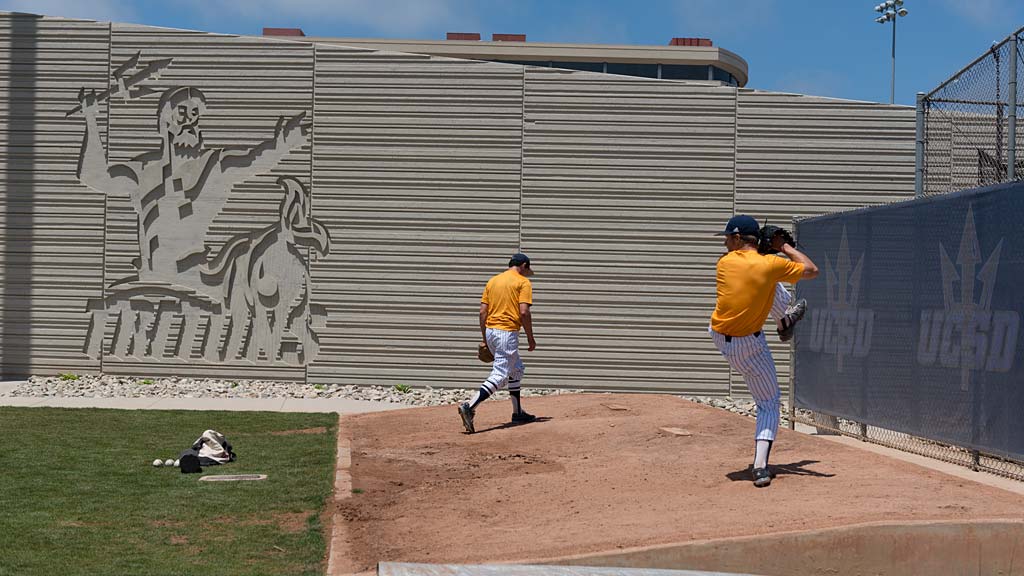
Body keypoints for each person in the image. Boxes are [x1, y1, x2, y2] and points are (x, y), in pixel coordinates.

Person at [709, 215, 819, 487]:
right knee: (769, 403)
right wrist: (784, 248)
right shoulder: (768, 264)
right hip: (749, 346)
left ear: (737, 239)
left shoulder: (724, 264)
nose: (724, 243)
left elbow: (752, 270)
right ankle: (760, 467)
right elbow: (811, 270)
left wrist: (764, 251)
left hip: (719, 337)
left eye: (727, 238)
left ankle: (784, 320)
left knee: (767, 283)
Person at [458, 253, 537, 434]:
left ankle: (517, 413)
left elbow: (482, 312)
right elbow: (524, 313)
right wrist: (531, 338)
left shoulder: (493, 281)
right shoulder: (522, 282)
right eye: (527, 270)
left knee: (516, 369)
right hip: (506, 332)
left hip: (491, 330)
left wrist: (485, 338)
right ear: (523, 265)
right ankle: (469, 406)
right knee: (501, 373)